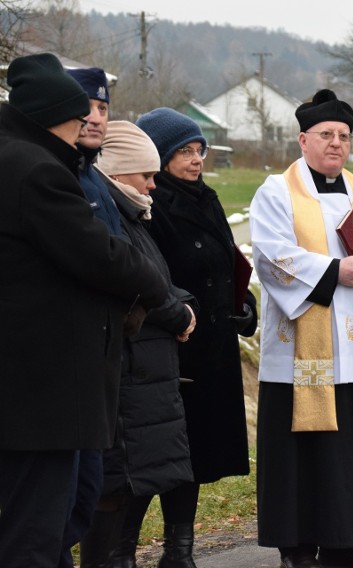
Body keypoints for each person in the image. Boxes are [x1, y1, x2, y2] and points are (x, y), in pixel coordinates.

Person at [0, 52, 168, 568]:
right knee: (35, 529)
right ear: (57, 116)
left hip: (38, 389)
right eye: (80, 117)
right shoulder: (34, 171)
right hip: (43, 392)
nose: (85, 128)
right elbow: (98, 253)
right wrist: (154, 285)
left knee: (56, 516)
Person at [250, 89, 353, 568]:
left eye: (344, 136)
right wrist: (334, 272)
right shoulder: (276, 192)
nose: (336, 144)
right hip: (302, 352)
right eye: (326, 134)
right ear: (303, 140)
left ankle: (346, 544)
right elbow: (270, 253)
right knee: (302, 450)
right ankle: (297, 548)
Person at [136, 108, 258, 568]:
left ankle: (179, 552)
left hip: (213, 348)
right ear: (159, 157)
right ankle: (119, 551)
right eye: (183, 152)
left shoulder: (206, 199)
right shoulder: (152, 206)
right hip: (174, 349)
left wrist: (242, 307)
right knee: (160, 456)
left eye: (198, 150)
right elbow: (154, 276)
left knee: (194, 457)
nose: (195, 160)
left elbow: (226, 265)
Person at [76, 120, 198, 567]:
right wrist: (178, 312)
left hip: (146, 371)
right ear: (117, 171)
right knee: (114, 487)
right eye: (145, 173)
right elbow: (131, 284)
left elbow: (158, 279)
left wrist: (185, 304)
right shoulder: (109, 214)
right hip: (130, 372)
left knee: (127, 485)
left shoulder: (132, 213)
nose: (152, 182)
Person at [59, 65, 121, 568]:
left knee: (84, 494)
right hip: (60, 364)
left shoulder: (95, 179)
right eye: (87, 107)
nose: (96, 118)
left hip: (101, 361)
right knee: (51, 510)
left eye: (103, 108)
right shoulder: (55, 176)